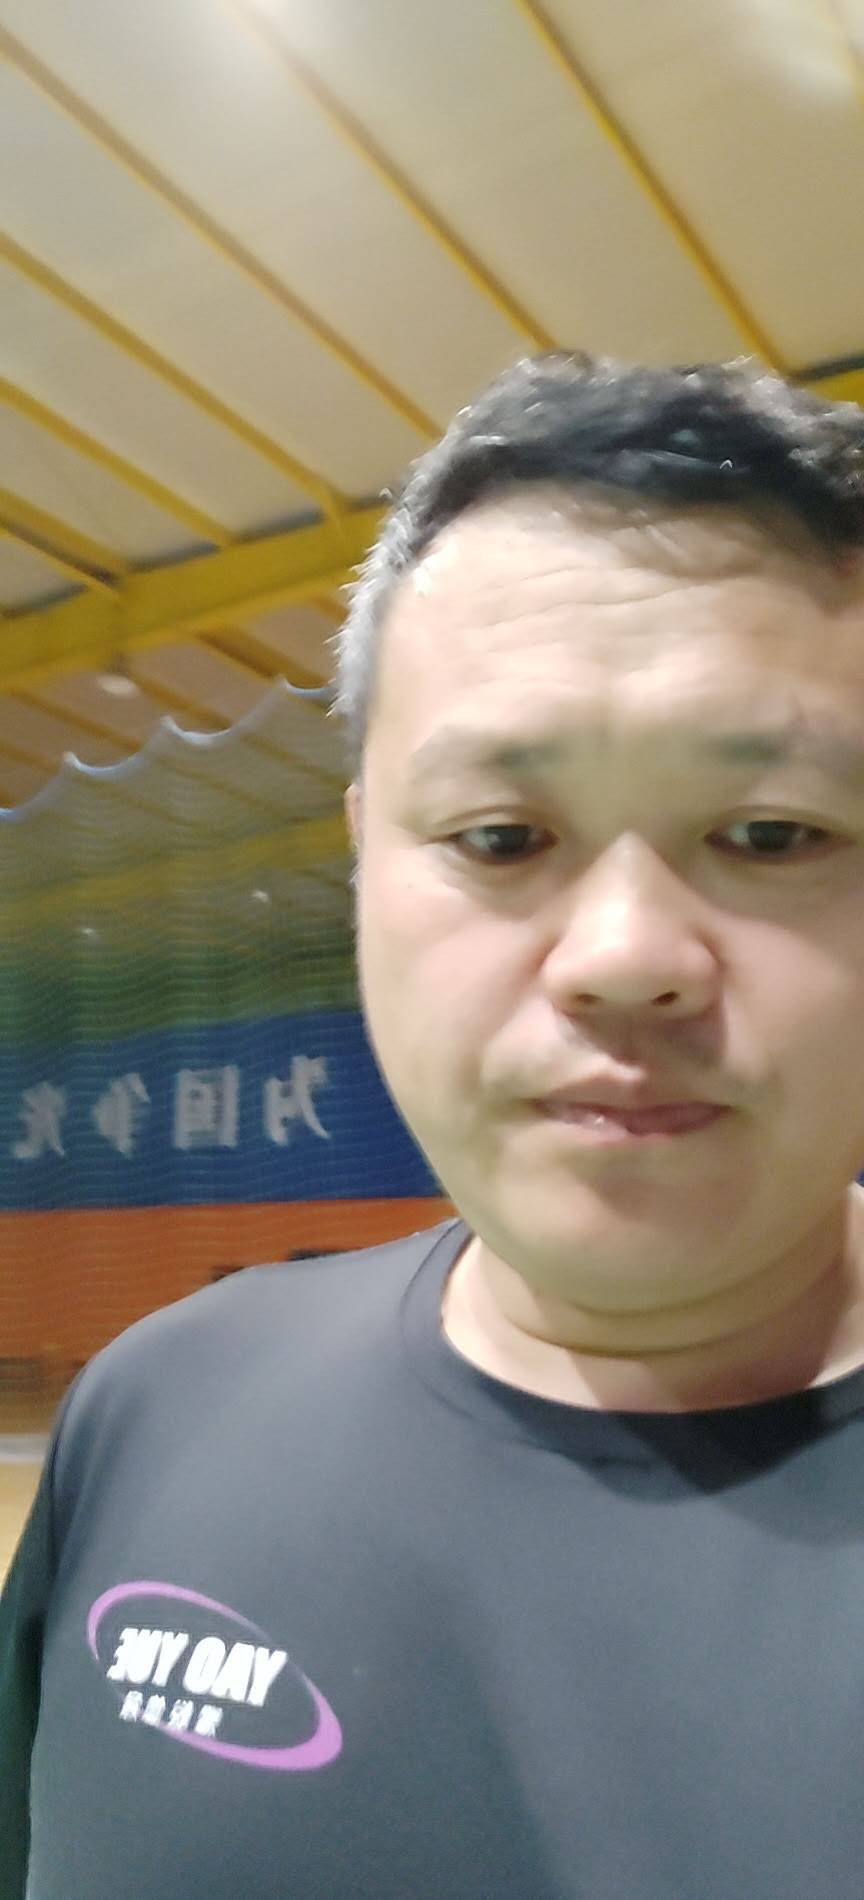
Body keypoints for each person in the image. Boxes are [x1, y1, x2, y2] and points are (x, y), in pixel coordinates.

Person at [4, 354, 864, 1899]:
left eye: (770, 832)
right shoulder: (159, 1403)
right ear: (367, 865)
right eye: (502, 837)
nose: (623, 956)